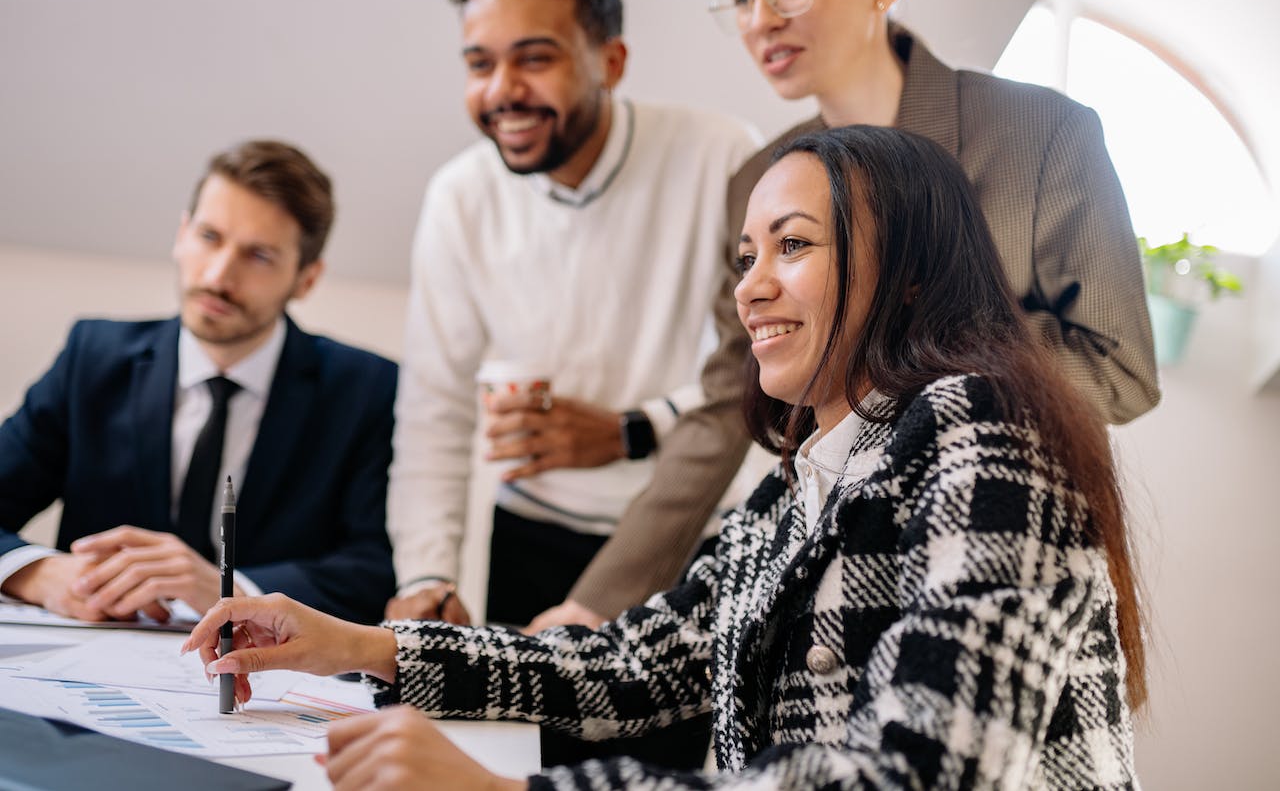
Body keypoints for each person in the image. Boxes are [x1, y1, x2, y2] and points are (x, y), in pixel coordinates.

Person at [185, 125, 1146, 790]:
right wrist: (354, 643)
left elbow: (927, 771)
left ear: (909, 276)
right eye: (743, 258)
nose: (752, 289)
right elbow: (632, 664)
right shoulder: (798, 485)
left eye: (793, 246)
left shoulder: (986, 433)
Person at [525, 0, 1161, 633]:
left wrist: (896, 335)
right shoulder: (760, 183)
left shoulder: (1042, 134)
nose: (759, 18)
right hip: (834, 577)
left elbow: (1120, 369)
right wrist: (597, 601)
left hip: (998, 557)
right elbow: (722, 408)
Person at [383, 0, 755, 632]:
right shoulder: (458, 197)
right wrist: (426, 575)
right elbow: (434, 407)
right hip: (530, 538)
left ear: (611, 62)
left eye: (534, 57)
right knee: (506, 747)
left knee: (654, 749)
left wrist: (630, 431)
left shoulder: (721, 155)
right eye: (479, 62)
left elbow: (755, 368)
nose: (501, 91)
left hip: (684, 534)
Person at [0, 139, 397, 626]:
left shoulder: (366, 389)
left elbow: (375, 571)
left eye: (259, 256)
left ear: (306, 279)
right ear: (182, 233)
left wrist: (229, 591)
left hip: (267, 681)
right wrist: (39, 574)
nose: (218, 275)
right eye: (209, 237)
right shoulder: (93, 358)